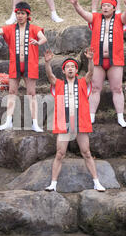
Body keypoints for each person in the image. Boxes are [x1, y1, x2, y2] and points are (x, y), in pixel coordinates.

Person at [67, 0, 126, 128]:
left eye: (108, 5)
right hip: (97, 59)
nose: (105, 8)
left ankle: (120, 117)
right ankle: (91, 116)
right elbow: (83, 14)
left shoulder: (120, 19)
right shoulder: (96, 18)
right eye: (103, 5)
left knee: (117, 88)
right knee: (95, 88)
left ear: (114, 8)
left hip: (115, 60)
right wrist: (76, 4)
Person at [44, 48, 106, 192]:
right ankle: (53, 184)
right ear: (64, 71)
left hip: (81, 122)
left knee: (86, 152)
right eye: (67, 67)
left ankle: (97, 182)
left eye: (72, 67)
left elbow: (91, 73)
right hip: (64, 122)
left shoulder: (83, 82)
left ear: (76, 70)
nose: (70, 69)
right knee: (60, 153)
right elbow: (49, 75)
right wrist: (47, 63)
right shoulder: (59, 84)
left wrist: (90, 60)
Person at [0, 1, 47, 132]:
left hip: (30, 64)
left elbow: (43, 38)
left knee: (31, 93)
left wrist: (38, 42)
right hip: (15, 64)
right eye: (18, 13)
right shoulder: (10, 28)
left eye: (22, 13)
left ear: (27, 15)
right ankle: (8, 121)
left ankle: (35, 123)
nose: (20, 16)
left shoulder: (34, 28)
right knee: (12, 92)